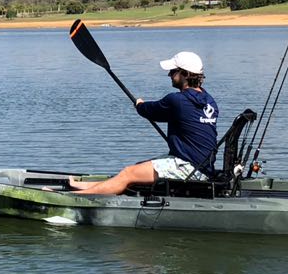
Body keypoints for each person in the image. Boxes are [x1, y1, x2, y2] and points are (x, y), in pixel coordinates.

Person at [67, 50, 219, 195]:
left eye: (173, 71)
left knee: (128, 173)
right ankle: (91, 186)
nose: (169, 74)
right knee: (138, 168)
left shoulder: (177, 100)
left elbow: (147, 110)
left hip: (189, 168)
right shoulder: (210, 102)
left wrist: (139, 104)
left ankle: (79, 196)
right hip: (203, 167)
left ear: (185, 74)